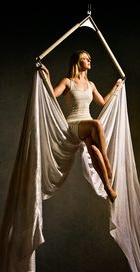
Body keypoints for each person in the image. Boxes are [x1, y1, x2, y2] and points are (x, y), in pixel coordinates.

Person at [39, 50, 123, 203]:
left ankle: (108, 188)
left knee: (94, 150)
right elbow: (52, 94)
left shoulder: (91, 85)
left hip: (88, 124)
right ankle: (106, 160)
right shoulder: (68, 82)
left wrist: (116, 87)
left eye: (89, 58)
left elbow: (103, 102)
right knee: (97, 123)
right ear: (77, 63)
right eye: (84, 58)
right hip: (74, 125)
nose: (89, 60)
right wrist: (47, 77)